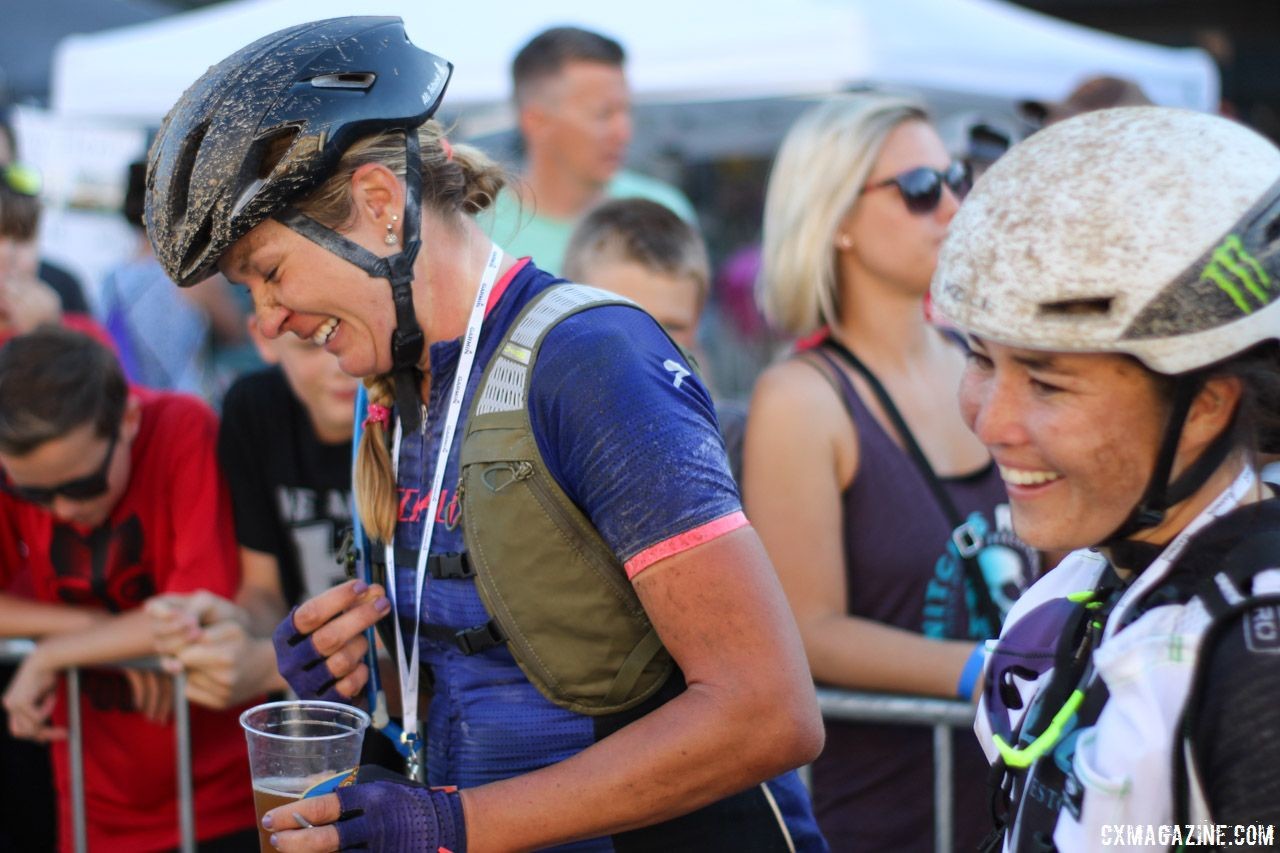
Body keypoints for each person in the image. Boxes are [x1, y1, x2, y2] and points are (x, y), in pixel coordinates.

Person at [145, 16, 824, 853]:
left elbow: (768, 713)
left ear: (380, 205)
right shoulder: (391, 391)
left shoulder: (590, 362)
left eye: (271, 272)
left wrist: (455, 823)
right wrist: (361, 673)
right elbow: (497, 673)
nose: (270, 319)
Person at [931, 106, 1280, 851]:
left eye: (1048, 384)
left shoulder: (1256, 657)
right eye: (981, 359)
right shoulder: (1096, 577)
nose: (993, 422)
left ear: (1205, 405)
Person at [744, 94, 1029, 851]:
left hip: (1019, 804)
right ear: (834, 217)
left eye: (956, 176)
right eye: (918, 189)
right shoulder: (802, 398)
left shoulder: (987, 359)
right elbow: (805, 630)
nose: (953, 205)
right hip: (888, 812)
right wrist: (992, 667)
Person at [0, 327, 257, 851]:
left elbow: (194, 615)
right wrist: (90, 630)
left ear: (128, 420)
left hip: (216, 794)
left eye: (81, 485)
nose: (61, 511)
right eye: (31, 492)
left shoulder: (181, 426)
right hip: (91, 799)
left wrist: (53, 656)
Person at [145, 317, 359, 711]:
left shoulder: (408, 410)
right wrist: (229, 625)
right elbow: (263, 590)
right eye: (311, 346)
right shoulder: (254, 409)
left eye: (349, 339)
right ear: (265, 339)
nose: (340, 365)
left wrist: (269, 665)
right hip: (312, 709)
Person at [477, 26, 696, 275]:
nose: (623, 132)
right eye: (603, 114)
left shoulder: (662, 215)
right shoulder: (478, 229)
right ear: (537, 123)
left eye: (626, 111)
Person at [562, 197, 748, 482]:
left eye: (671, 327)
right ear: (565, 314)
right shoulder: (539, 449)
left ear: (697, 320)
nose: (647, 348)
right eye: (622, 325)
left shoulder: (738, 445)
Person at [98, 161, 248, 401]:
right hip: (185, 406)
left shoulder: (111, 278)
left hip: (131, 404)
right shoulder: (192, 276)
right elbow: (236, 334)